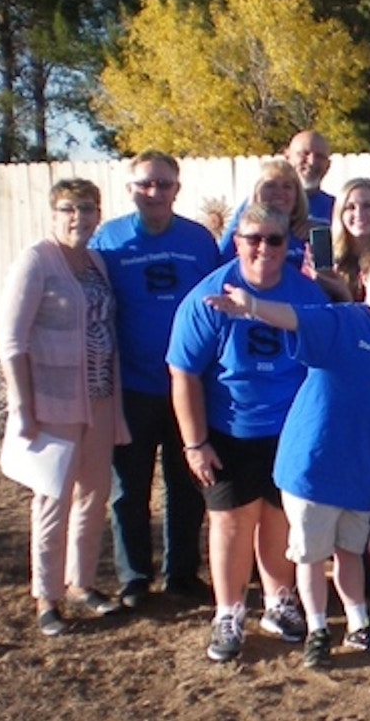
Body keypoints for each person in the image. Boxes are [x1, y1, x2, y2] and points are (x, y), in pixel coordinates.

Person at [201, 240, 370, 668]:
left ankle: (358, 625)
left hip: (360, 468)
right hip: (314, 464)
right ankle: (318, 629)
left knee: (349, 552)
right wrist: (252, 307)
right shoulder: (345, 320)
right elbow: (297, 318)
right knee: (312, 553)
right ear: (364, 281)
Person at [167, 205, 329, 662]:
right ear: (236, 241)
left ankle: (278, 600)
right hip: (229, 430)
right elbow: (183, 373)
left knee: (279, 518)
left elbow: (324, 360)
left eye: (274, 240)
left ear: (288, 246)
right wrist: (195, 443)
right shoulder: (208, 298)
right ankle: (229, 611)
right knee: (232, 522)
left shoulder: (307, 295)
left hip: (290, 432)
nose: (263, 248)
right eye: (253, 238)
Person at [0, 178, 130, 636]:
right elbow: (11, 340)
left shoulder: (95, 262)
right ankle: (46, 598)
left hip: (100, 397)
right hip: (53, 401)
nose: (80, 218)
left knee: (93, 496)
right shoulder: (37, 261)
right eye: (70, 209)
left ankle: (82, 584)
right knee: (52, 499)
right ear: (54, 215)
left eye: (88, 209)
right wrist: (22, 405)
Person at [89, 151, 219, 608]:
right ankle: (135, 578)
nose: (155, 192)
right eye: (145, 184)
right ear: (130, 189)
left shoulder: (199, 241)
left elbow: (216, 308)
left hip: (188, 386)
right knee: (130, 488)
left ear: (177, 189)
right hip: (132, 386)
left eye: (164, 184)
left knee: (186, 486)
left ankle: (182, 574)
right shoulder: (109, 240)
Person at [218, 159, 313, 267]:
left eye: (287, 186)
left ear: (297, 196)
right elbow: (221, 266)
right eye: (270, 185)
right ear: (256, 192)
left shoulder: (307, 232)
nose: (279, 192)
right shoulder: (243, 232)